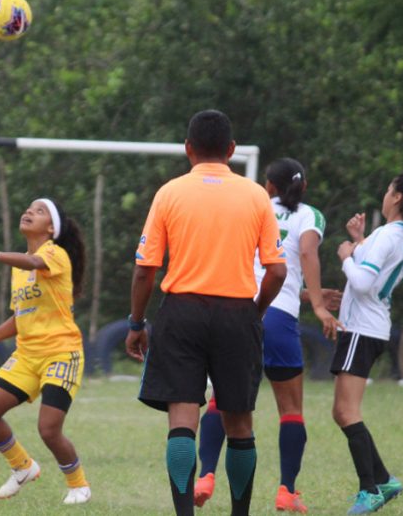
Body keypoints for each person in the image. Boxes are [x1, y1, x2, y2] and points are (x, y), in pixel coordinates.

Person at [126, 109, 288, 516]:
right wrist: (255, 311)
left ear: (188, 149)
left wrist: (135, 322)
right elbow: (278, 270)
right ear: (232, 150)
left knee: (182, 416)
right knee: (239, 422)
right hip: (237, 313)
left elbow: (146, 269)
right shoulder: (255, 195)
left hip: (182, 312)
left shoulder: (169, 193)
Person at [192, 157, 342, 513]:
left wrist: (309, 296)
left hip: (239, 310)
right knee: (291, 409)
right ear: (302, 187)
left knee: (221, 400)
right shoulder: (311, 215)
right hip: (278, 317)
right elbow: (304, 252)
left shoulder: (249, 204)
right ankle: (287, 491)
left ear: (269, 186)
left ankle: (206, 475)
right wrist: (318, 305)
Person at [0, 198, 91, 505]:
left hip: (62, 352)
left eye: (40, 210)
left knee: (48, 429)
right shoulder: (18, 267)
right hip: (27, 355)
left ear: (51, 228)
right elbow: (22, 315)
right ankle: (22, 467)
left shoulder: (54, 254)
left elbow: (34, 263)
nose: (30, 212)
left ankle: (79, 484)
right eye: (30, 207)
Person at [332, 171, 403, 514]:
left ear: (396, 197)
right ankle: (383, 480)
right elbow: (378, 269)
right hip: (373, 327)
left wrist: (346, 255)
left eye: (388, 187)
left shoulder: (390, 235)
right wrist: (362, 240)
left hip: (362, 329)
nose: (385, 192)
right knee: (343, 411)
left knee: (345, 411)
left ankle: (369, 490)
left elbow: (364, 282)